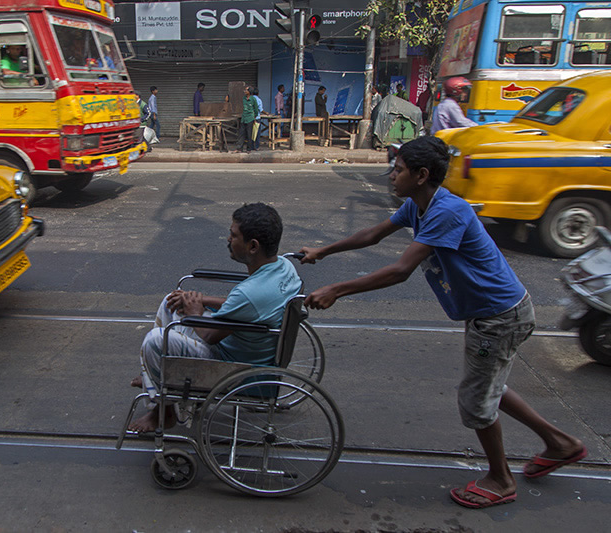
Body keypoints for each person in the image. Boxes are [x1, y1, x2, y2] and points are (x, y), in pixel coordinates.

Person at [299, 136, 586, 509]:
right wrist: (325, 249)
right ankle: (561, 444)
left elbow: (401, 271)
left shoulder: (447, 211)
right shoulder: (418, 205)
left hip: (498, 317)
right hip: (492, 312)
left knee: (475, 401)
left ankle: (501, 480)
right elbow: (375, 233)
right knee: (488, 385)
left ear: (421, 175)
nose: (391, 176)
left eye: (398, 170)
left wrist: (337, 289)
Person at [129, 203, 302, 432]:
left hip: (235, 366)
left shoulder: (250, 293)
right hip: (253, 348)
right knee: (171, 302)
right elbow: (246, 307)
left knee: (155, 340)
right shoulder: (284, 268)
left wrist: (195, 312)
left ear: (252, 246)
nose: (228, 239)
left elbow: (210, 336)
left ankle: (164, 408)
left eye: (233, 235)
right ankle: (156, 376)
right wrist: (202, 300)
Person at [235, 86, 259, 153]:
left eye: (246, 90)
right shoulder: (244, 98)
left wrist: (254, 116)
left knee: (249, 134)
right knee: (241, 133)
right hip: (244, 118)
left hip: (250, 118)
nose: (245, 91)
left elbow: (256, 109)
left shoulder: (253, 99)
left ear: (249, 92)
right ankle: (239, 148)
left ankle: (249, 149)